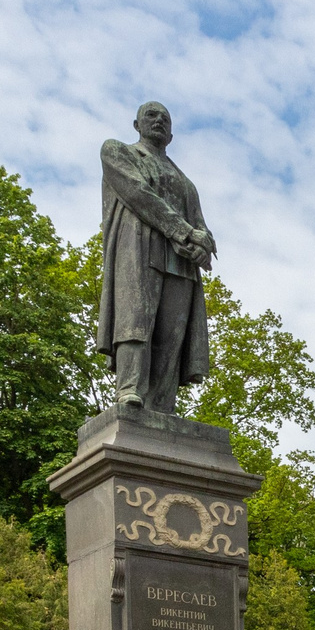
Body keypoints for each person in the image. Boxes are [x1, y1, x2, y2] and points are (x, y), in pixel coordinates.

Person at [96, 101, 214, 413]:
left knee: (171, 337)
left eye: (165, 117)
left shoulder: (185, 182)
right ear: (137, 125)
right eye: (151, 114)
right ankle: (129, 390)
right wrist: (185, 232)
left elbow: (201, 226)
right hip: (138, 248)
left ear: (172, 135)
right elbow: (138, 194)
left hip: (180, 263)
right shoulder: (118, 152)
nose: (158, 119)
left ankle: (162, 406)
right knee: (134, 322)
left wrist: (202, 245)